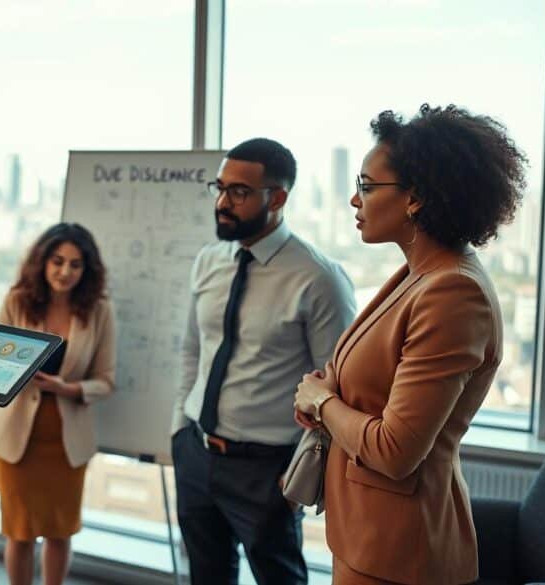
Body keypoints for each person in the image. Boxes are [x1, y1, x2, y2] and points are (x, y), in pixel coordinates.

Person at [293, 104, 523, 584]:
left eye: (367, 187)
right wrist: (329, 395)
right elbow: (372, 374)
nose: (355, 201)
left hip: (399, 553)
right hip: (367, 533)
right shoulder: (416, 275)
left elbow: (396, 450)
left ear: (415, 197)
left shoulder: (451, 292)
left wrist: (323, 402)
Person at [171, 138, 356, 584]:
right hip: (197, 453)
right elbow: (193, 350)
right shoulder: (209, 260)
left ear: (277, 198)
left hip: (267, 469)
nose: (222, 202)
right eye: (220, 188)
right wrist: (180, 430)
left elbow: (339, 386)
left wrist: (299, 478)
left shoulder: (318, 278)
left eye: (238, 192)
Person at [0, 223, 116, 585]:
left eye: (75, 265)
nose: (65, 272)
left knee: (60, 532)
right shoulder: (17, 301)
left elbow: (106, 381)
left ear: (86, 270)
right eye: (58, 261)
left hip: (66, 443)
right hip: (14, 441)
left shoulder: (99, 311)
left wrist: (67, 388)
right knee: (19, 532)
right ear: (43, 262)